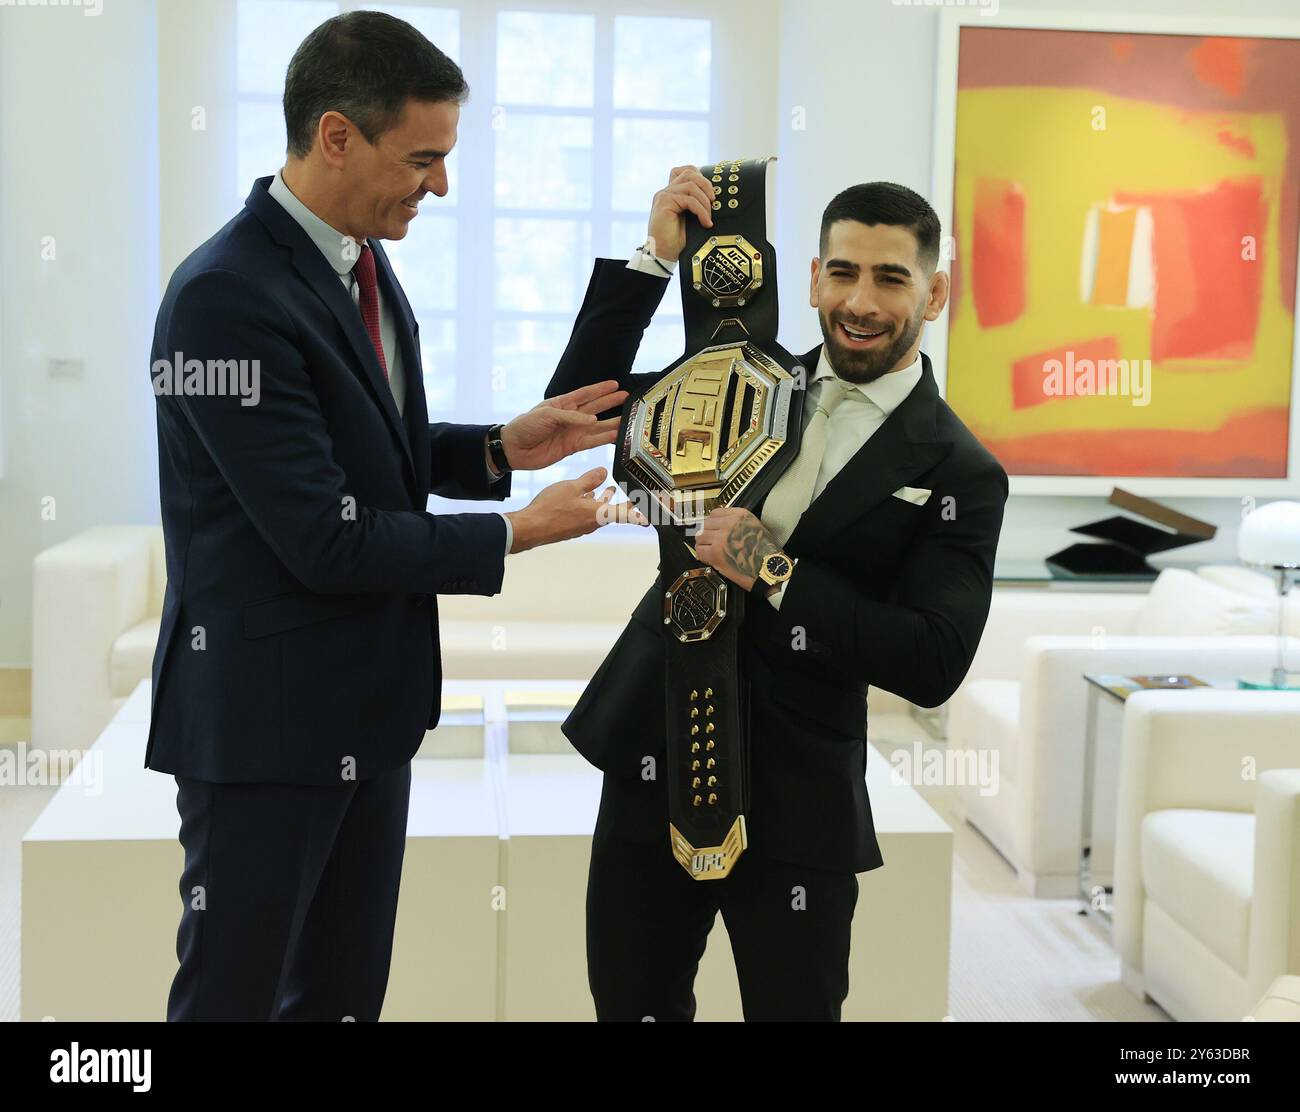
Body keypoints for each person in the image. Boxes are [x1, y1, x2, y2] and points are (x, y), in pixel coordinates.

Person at [147, 9, 641, 1021]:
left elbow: (363, 453)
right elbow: (324, 536)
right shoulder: (224, 300)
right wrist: (515, 528)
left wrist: (502, 445)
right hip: (267, 729)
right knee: (233, 998)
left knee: (340, 997)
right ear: (337, 136)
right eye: (424, 158)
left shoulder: (361, 262)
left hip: (366, 714)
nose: (441, 186)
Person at [548, 167, 1010, 1021]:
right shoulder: (734, 378)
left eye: (890, 277)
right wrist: (654, 260)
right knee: (627, 1004)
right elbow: (575, 410)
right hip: (653, 755)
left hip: (802, 799)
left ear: (935, 292)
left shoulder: (960, 469)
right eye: (842, 272)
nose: (860, 301)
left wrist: (775, 570)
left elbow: (932, 659)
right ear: (812, 278)